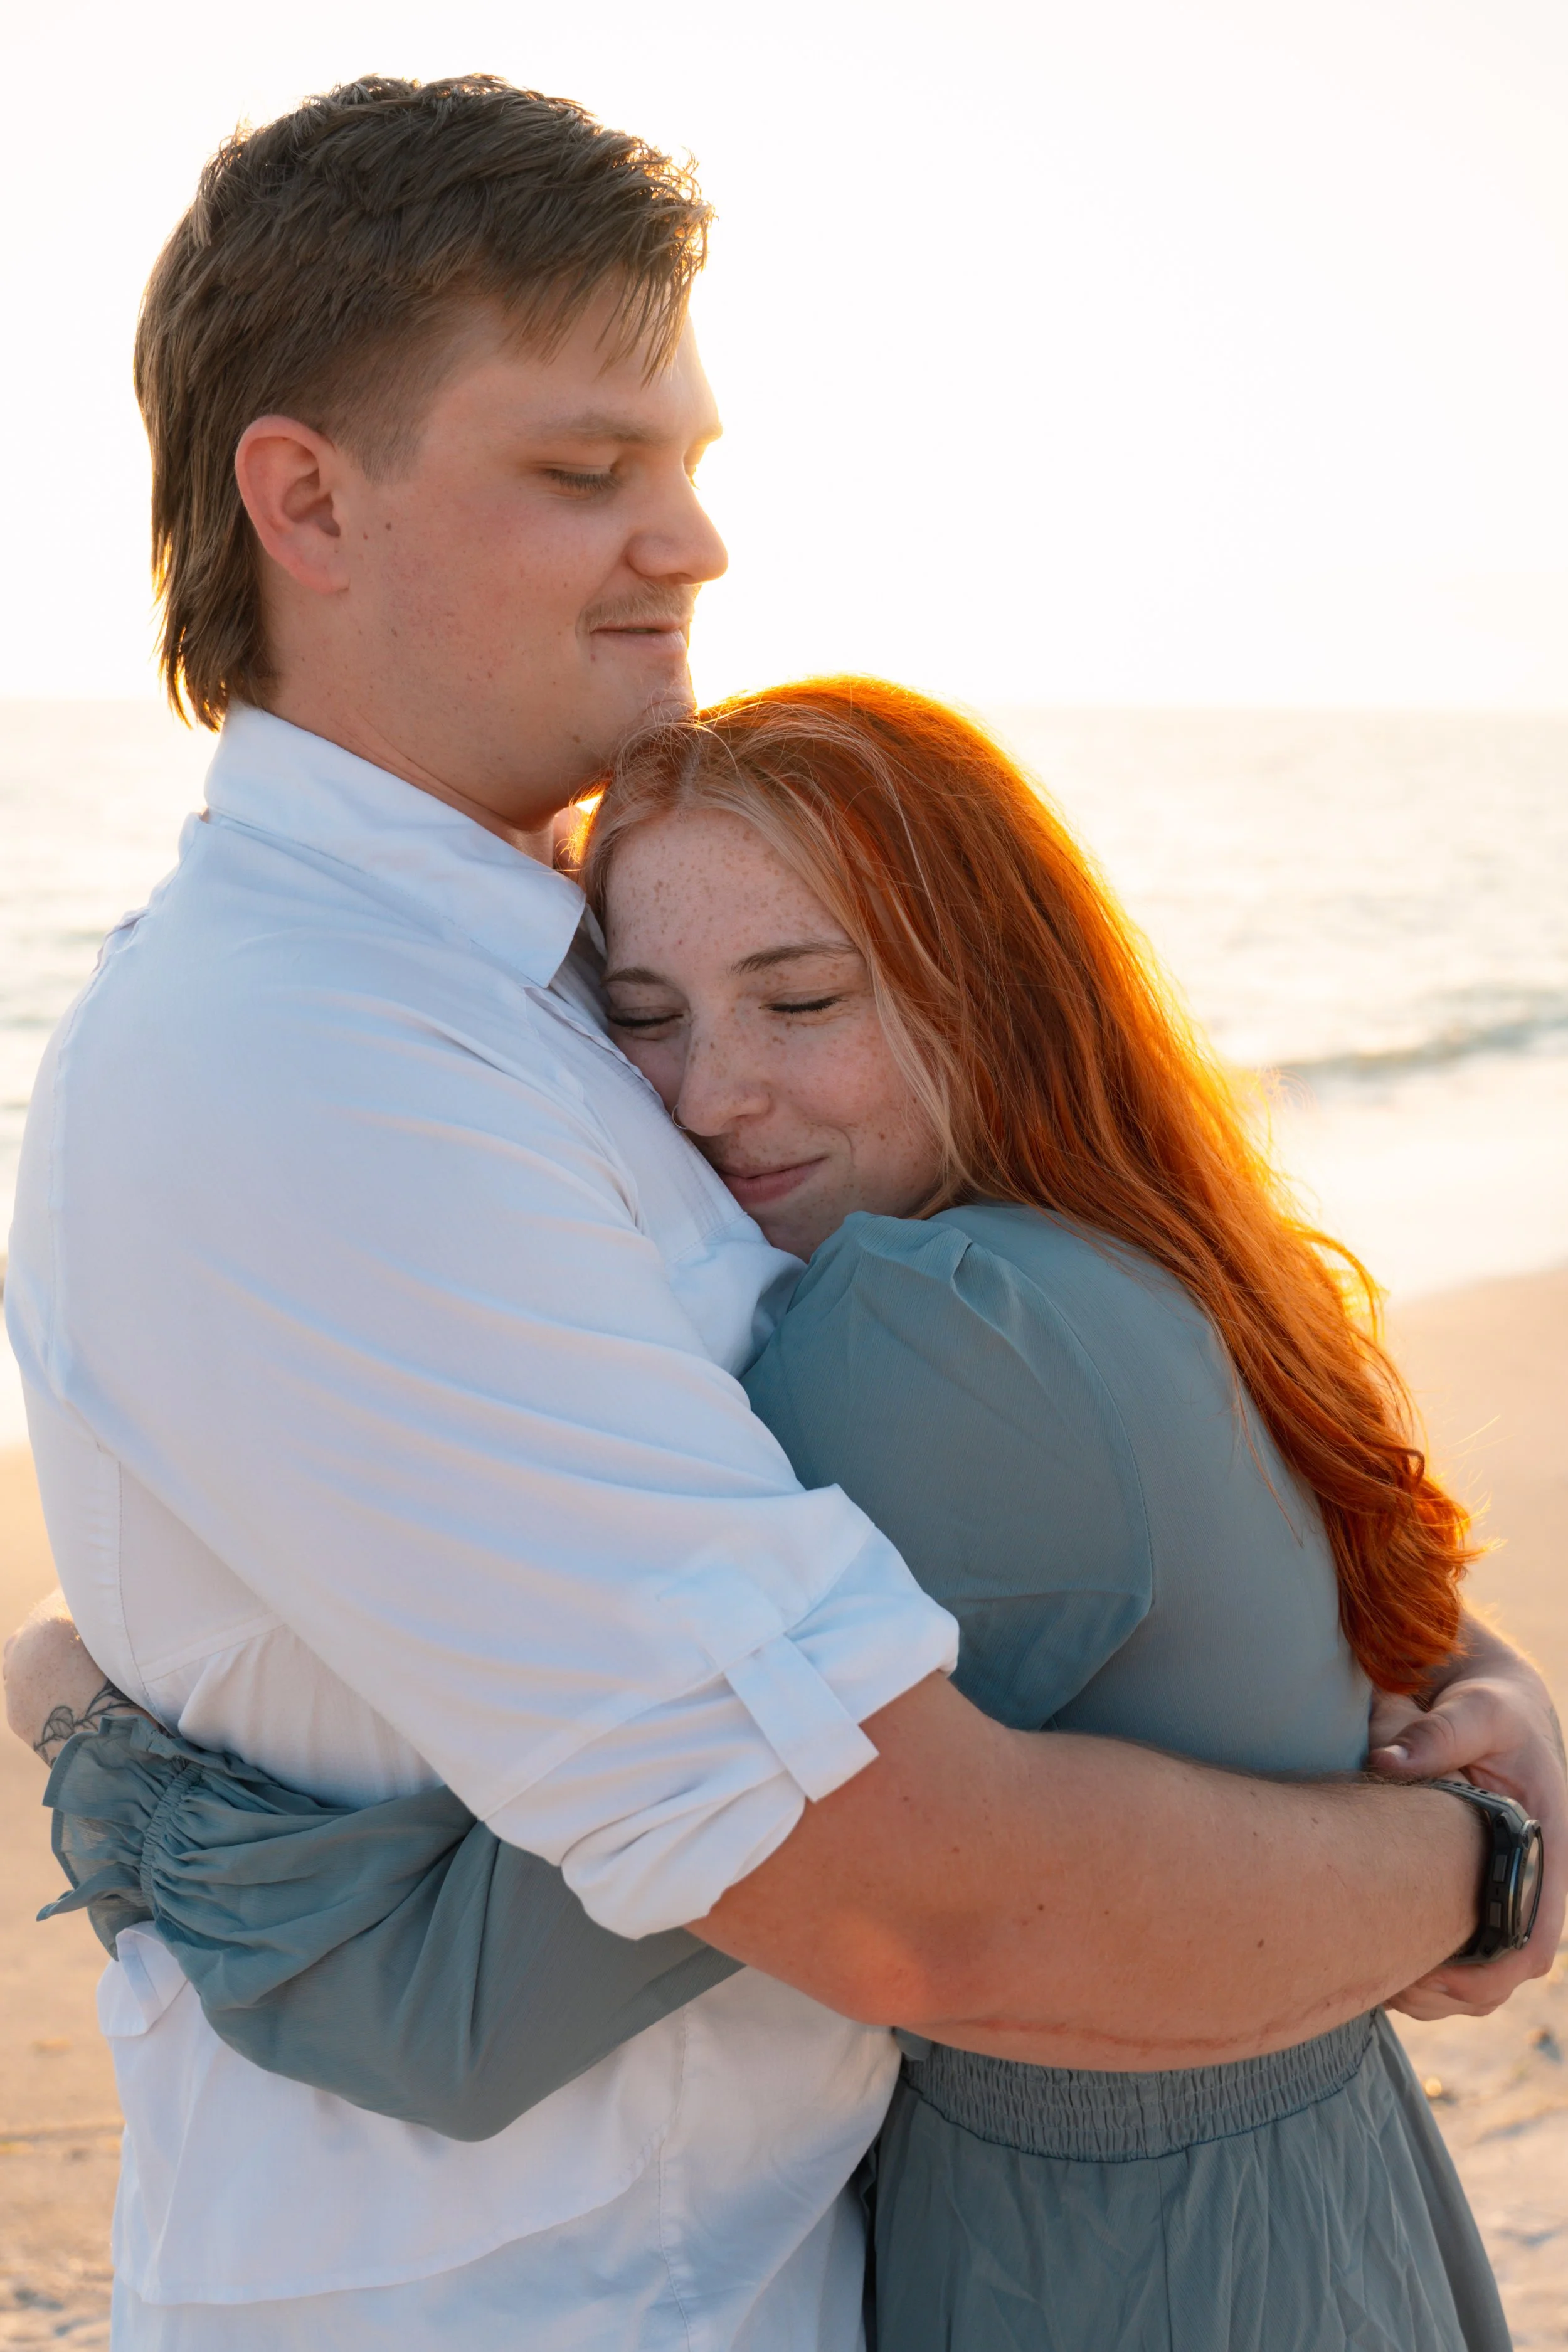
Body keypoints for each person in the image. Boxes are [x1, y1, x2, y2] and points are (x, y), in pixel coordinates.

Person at [1, 71, 1559, 2352]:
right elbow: (919, 1898)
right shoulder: (304, 1069)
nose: (693, 544)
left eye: (693, 468)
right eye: (586, 470)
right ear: (307, 499)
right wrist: (1467, 1856)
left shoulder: (556, 982)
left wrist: (1424, 1674)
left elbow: (1038, 1471)